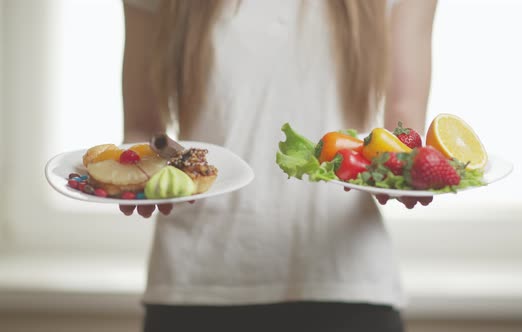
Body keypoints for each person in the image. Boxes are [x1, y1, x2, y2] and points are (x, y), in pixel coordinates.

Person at [120, 0, 437, 331]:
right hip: (195, 281)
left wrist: (400, 175)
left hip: (346, 281)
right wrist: (140, 176)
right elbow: (142, 125)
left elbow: (404, 116)